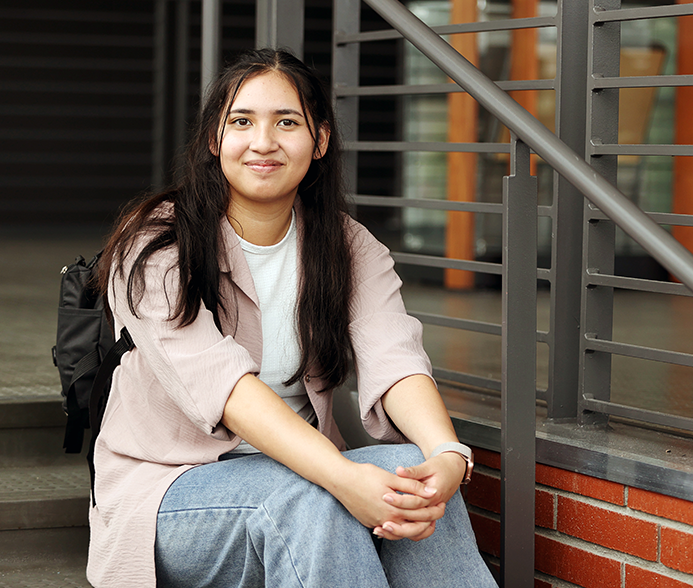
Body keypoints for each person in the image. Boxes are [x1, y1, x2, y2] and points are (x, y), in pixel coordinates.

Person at [90, 48, 498, 588]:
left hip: (297, 474)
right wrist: (342, 476)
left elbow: (395, 358)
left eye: (287, 122)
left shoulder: (347, 245)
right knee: (315, 498)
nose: (264, 142)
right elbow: (225, 389)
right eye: (242, 121)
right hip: (171, 488)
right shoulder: (155, 245)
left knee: (407, 474)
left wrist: (445, 456)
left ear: (320, 140)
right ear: (215, 139)